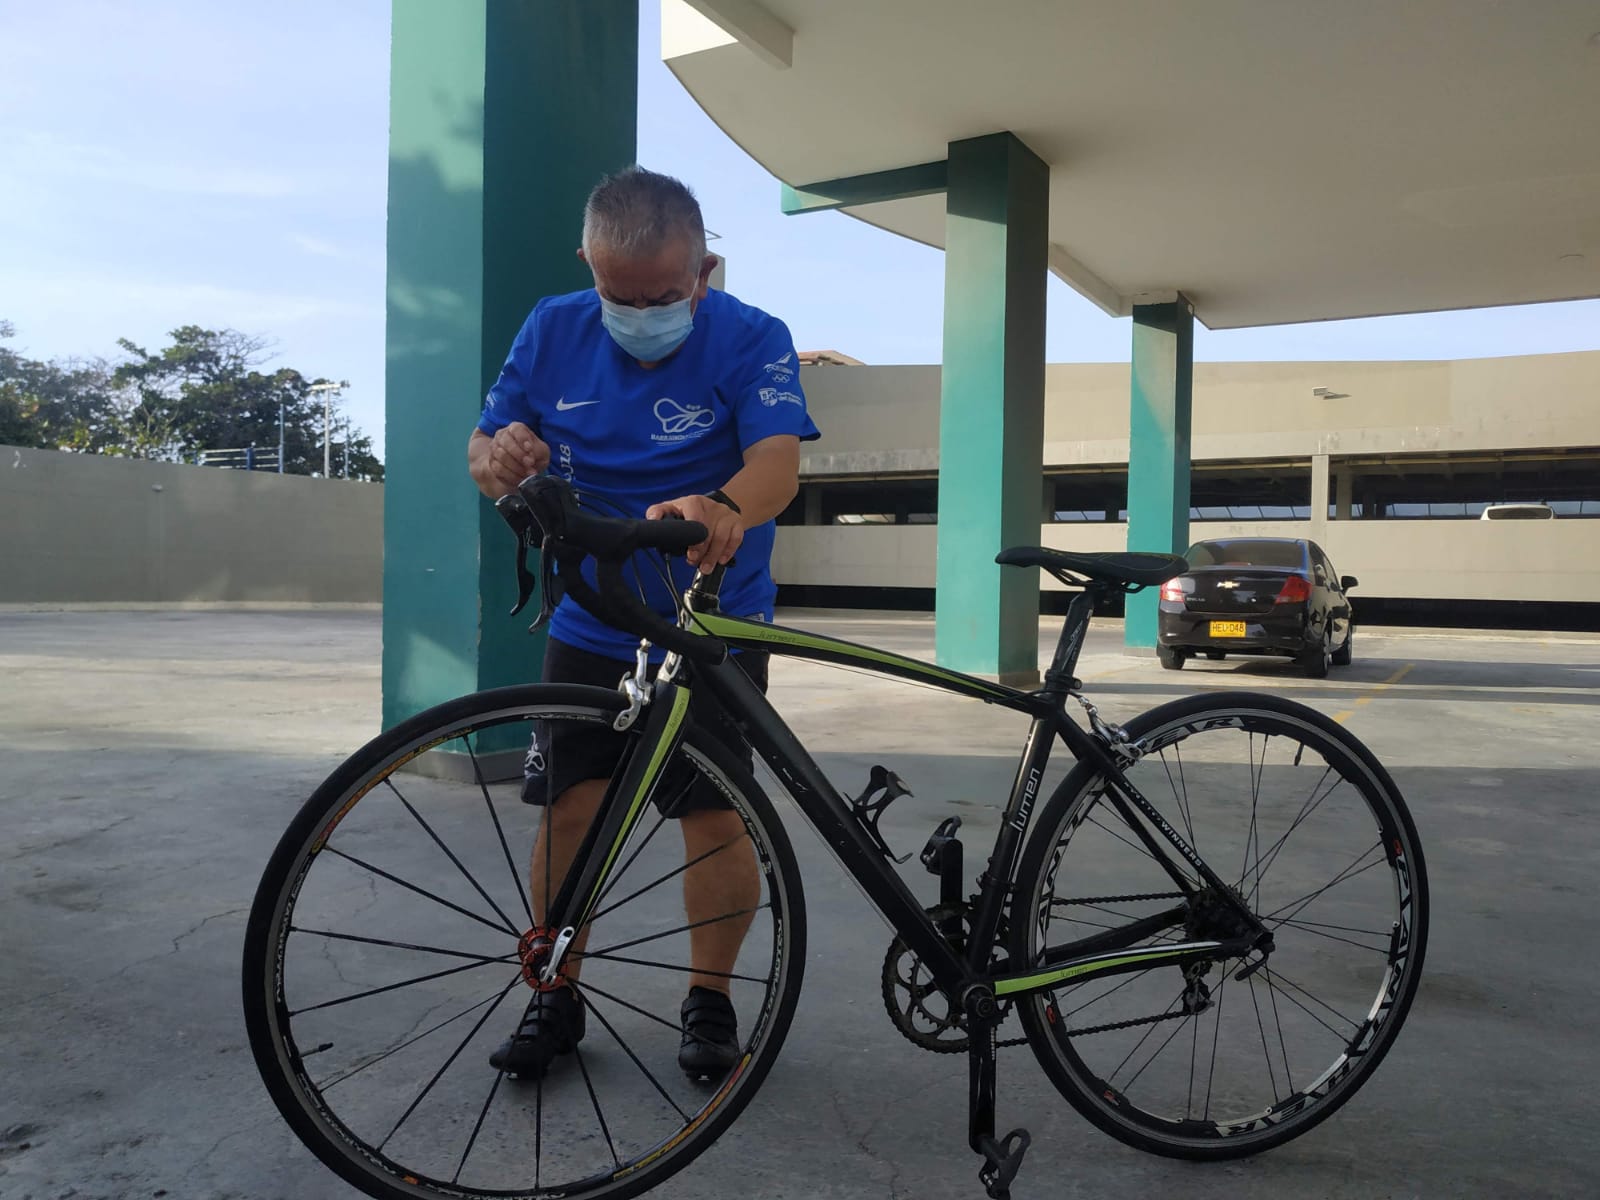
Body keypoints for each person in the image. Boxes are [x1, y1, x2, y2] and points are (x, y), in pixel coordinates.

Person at [467, 167, 819, 1082]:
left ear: (704, 269)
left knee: (713, 813)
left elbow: (779, 464)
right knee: (570, 807)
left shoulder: (753, 337)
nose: (643, 314)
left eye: (665, 295)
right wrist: (500, 458)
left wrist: (724, 504)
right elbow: (482, 450)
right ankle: (555, 991)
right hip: (592, 615)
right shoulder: (552, 328)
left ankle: (711, 1000)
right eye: (619, 295)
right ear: (587, 265)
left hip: (714, 622)